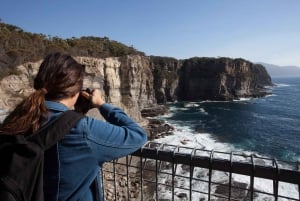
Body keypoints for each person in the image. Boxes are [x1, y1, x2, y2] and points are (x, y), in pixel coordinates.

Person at [0, 52, 148, 201]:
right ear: (76, 91)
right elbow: (138, 135)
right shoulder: (83, 130)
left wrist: (76, 114)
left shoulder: (17, 119)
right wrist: (101, 104)